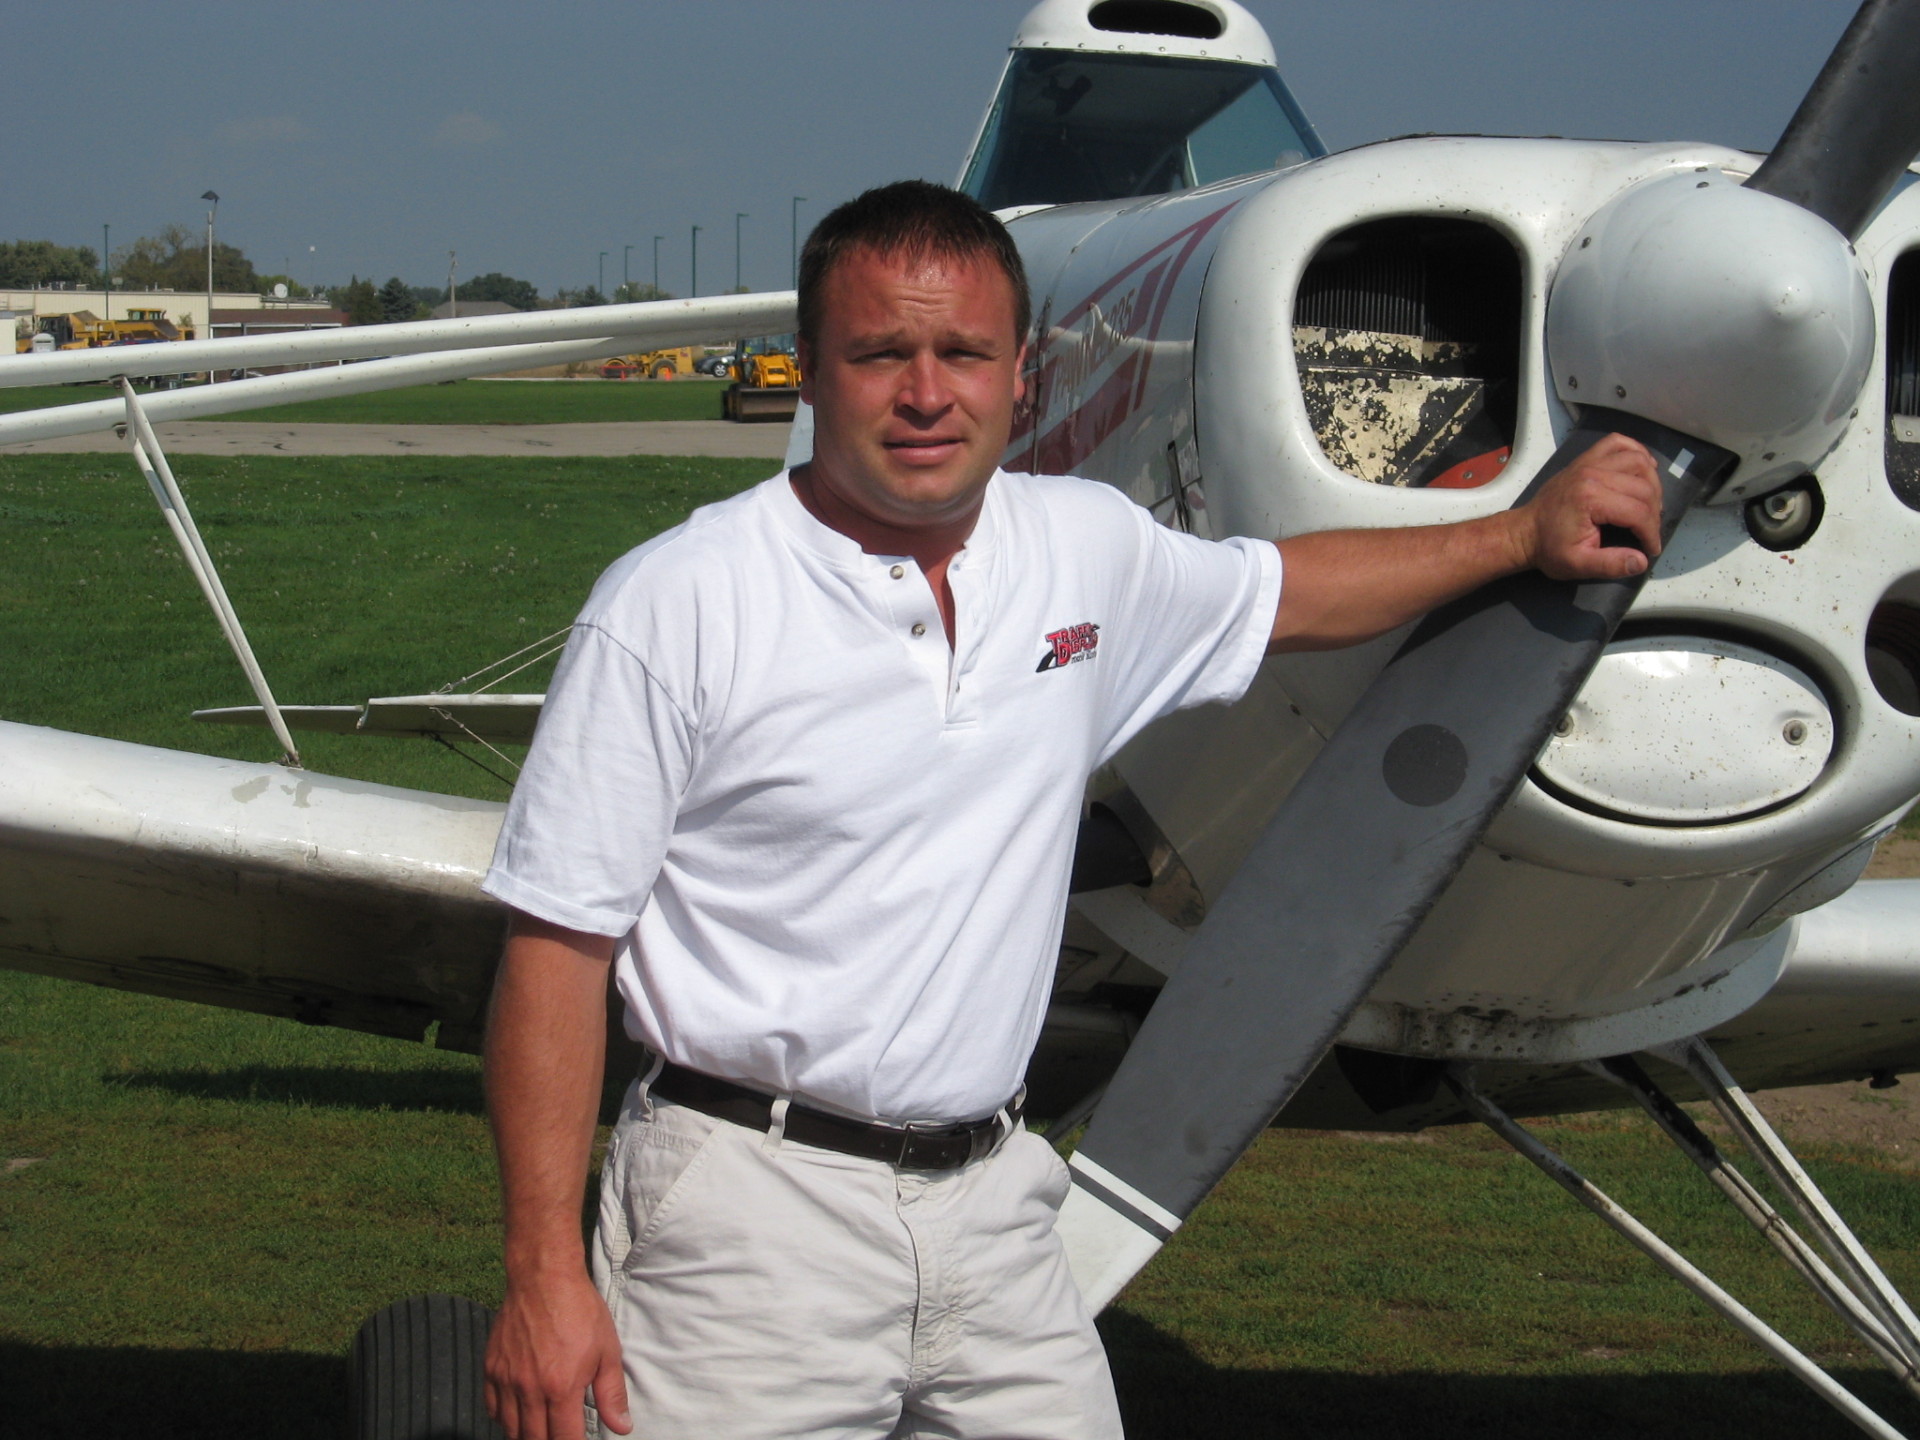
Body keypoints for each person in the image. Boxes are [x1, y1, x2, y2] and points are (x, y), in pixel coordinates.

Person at [479, 181, 1664, 1440]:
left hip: (995, 1202)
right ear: (810, 373)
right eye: (881, 353)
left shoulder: (1082, 546)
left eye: (964, 354)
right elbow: (556, 950)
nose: (927, 393)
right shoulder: (678, 602)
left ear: (1020, 375)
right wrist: (545, 1277)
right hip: (747, 1212)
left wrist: (1521, 531)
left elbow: (1288, 594)